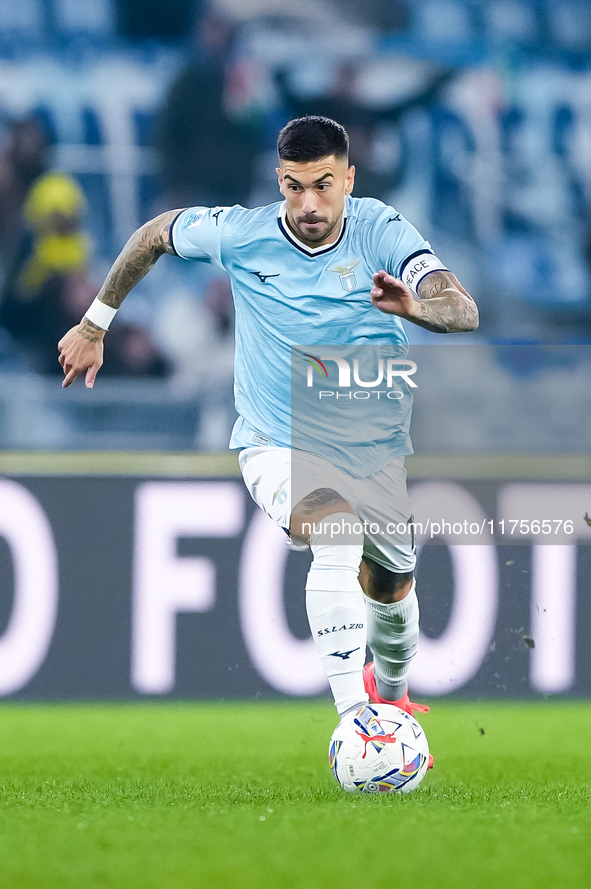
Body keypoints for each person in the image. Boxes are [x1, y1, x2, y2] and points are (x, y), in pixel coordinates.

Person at [58, 116, 478, 753]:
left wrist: (417, 306)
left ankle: (391, 699)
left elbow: (463, 309)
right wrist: (95, 324)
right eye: (293, 187)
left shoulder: (382, 230)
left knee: (391, 589)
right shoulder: (244, 234)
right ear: (278, 182)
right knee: (336, 530)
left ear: (349, 179)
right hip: (275, 441)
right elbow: (153, 236)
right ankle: (357, 722)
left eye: (324, 186)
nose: (309, 204)